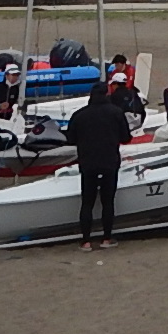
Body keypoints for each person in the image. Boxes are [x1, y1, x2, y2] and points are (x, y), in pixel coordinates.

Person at [66, 79, 131, 249]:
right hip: (110, 161)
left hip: (88, 162)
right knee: (107, 201)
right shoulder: (116, 112)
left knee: (87, 202)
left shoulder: (79, 115)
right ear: (106, 94)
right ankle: (106, 239)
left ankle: (86, 241)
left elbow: (70, 139)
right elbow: (126, 138)